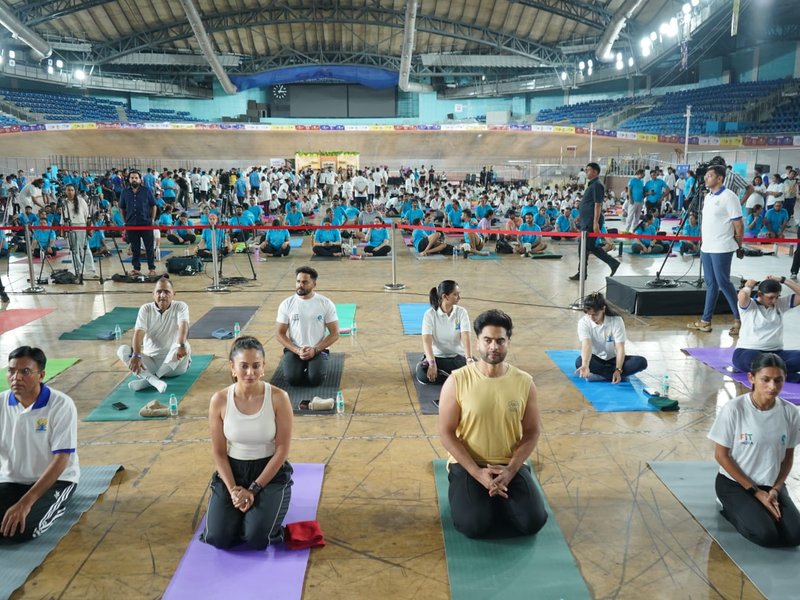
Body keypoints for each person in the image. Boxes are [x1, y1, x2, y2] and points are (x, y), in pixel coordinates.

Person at [438, 310, 548, 539]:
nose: (493, 347)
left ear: (508, 342)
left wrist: (510, 471)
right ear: (477, 341)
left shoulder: (524, 382)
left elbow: (531, 432)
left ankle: (495, 497)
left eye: (500, 340)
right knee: (474, 526)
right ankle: (482, 500)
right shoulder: (457, 380)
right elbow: (447, 433)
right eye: (487, 340)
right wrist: (477, 473)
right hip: (468, 465)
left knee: (533, 523)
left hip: (508, 465)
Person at [201, 336, 293, 549]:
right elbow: (219, 453)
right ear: (232, 368)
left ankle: (264, 507)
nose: (250, 372)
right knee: (218, 537)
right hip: (233, 470)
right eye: (243, 366)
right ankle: (239, 510)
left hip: (269, 471)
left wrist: (253, 490)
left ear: (263, 367)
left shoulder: (279, 398)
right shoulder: (219, 400)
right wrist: (233, 489)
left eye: (256, 366)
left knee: (255, 539)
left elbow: (282, 449)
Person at [708, 353, 800, 548]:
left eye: (778, 380)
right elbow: (721, 455)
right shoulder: (734, 409)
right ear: (752, 378)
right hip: (736, 485)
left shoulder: (790, 412)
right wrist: (755, 492)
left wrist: (775, 489)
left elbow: (788, 458)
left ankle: (762, 506)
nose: (772, 387)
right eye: (765, 380)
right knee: (766, 535)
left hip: (771, 484)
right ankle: (729, 509)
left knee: (795, 535)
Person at [0, 346, 79, 543]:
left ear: (41, 375)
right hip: (11, 480)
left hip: (56, 481)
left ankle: (57, 505)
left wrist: (26, 503)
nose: (16, 377)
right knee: (6, 527)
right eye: (11, 371)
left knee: (21, 531)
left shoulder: (61, 404)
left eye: (24, 372)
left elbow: (61, 459)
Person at [687, 164, 744, 335]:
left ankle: (740, 319)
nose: (706, 178)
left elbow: (739, 225)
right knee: (711, 284)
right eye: (706, 176)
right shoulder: (709, 197)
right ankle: (705, 321)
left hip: (722, 247)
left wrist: (739, 246)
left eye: (710, 175)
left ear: (719, 178)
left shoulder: (729, 197)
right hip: (707, 247)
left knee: (724, 283)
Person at [116, 276, 191, 394]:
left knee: (184, 344)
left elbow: (183, 326)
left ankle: (151, 379)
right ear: (153, 294)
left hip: (174, 366)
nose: (162, 295)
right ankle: (154, 379)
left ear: (174, 294)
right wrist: (136, 355)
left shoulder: (181, 306)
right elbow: (138, 333)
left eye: (166, 292)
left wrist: (181, 344)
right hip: (150, 363)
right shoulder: (146, 309)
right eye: (159, 292)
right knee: (122, 350)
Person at [275, 267, 339, 386]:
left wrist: (315, 350)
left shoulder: (326, 303)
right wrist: (297, 350)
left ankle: (314, 368)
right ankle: (299, 368)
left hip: (318, 349)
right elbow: (279, 334)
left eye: (305, 282)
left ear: (314, 284)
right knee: (293, 380)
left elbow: (335, 333)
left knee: (315, 380)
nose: (300, 285)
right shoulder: (286, 304)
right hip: (295, 350)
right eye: (298, 281)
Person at [733, 276, 800, 382]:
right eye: (771, 297)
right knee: (759, 360)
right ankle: (786, 375)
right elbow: (742, 295)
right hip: (748, 351)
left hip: (776, 354)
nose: (774, 301)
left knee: (771, 362)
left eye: (777, 297)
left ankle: (771, 373)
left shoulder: (780, 304)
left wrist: (783, 280)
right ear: (760, 294)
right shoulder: (750, 305)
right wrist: (748, 286)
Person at [575, 292, 647, 383]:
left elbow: (620, 347)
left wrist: (618, 369)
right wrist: (585, 364)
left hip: (614, 359)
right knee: (579, 362)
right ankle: (613, 376)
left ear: (603, 309)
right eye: (589, 314)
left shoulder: (616, 320)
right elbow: (586, 345)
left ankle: (602, 376)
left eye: (595, 314)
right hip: (596, 359)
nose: (592, 318)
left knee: (641, 362)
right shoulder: (583, 322)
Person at [416, 280, 472, 388]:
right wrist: (432, 363)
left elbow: (466, 336)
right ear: (445, 296)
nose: (459, 297)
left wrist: (469, 358)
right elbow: (426, 341)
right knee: (423, 375)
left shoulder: (461, 312)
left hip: (457, 356)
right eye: (455, 294)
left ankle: (449, 377)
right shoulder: (429, 314)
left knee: (476, 370)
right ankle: (454, 377)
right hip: (437, 357)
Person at [570, 162, 620, 281]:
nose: (586, 172)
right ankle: (610, 264)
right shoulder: (592, 184)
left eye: (588, 170)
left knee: (586, 247)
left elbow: (598, 205)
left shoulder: (597, 185)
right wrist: (580, 217)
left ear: (595, 172)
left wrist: (595, 223)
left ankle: (583, 273)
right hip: (586, 220)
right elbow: (589, 204)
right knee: (588, 247)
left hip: (590, 222)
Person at [119, 170, 158, 276]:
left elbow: (153, 205)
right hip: (131, 224)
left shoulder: (147, 191)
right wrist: (124, 222)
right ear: (129, 179)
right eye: (132, 178)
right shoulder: (125, 192)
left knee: (149, 247)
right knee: (135, 248)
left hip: (146, 223)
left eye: (136, 178)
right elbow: (122, 207)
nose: (134, 179)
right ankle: (136, 268)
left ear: (140, 179)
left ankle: (151, 268)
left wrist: (152, 220)